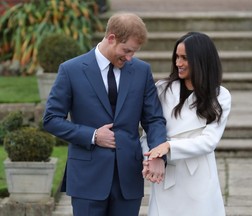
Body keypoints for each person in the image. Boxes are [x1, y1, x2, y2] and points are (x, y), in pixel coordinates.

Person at [43, 13, 167, 216]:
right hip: (87, 178)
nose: (129, 58)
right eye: (126, 50)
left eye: (133, 53)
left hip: (128, 177)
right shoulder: (70, 70)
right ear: (111, 38)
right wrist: (92, 136)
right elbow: (51, 120)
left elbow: (154, 119)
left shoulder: (142, 71)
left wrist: (157, 154)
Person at [141, 32, 231, 216]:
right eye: (176, 57)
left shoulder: (220, 95)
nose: (178, 63)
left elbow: (209, 141)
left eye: (184, 58)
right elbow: (148, 132)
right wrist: (151, 159)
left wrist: (168, 147)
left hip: (198, 177)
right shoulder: (162, 89)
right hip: (165, 174)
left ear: (201, 61)